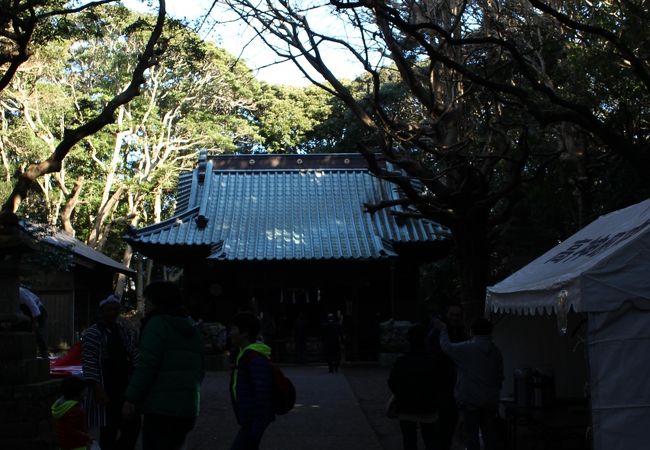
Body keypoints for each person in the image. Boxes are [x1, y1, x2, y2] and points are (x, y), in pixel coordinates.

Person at [122, 281, 205, 450]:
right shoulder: (191, 326)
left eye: (147, 301)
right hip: (187, 408)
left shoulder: (157, 324)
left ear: (156, 302)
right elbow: (201, 368)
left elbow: (147, 365)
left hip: (160, 409)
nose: (145, 305)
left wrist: (131, 397)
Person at [82, 294, 140, 450]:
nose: (113, 313)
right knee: (109, 428)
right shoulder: (92, 334)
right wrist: (98, 389)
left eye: (116, 309)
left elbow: (134, 353)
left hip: (124, 384)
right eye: (110, 309)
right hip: (106, 386)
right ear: (102, 312)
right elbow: (90, 363)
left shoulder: (124, 330)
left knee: (132, 426)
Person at [436, 317, 504, 450]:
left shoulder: (466, 348)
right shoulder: (496, 351)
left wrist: (443, 330)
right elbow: (500, 377)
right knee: (490, 436)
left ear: (472, 331)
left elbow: (446, 347)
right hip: (490, 401)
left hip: (470, 401)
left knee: (471, 437)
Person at [388, 324, 443, 450]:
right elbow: (439, 383)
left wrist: (400, 394)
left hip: (406, 407)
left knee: (409, 441)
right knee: (430, 439)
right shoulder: (432, 361)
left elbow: (392, 382)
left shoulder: (401, 361)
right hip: (428, 406)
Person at [229, 312, 275, 450]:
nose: (230, 333)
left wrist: (257, 427)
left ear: (245, 333)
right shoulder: (245, 354)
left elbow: (264, 392)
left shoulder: (254, 358)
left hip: (253, 421)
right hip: (249, 420)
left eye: (233, 329)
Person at [427, 304, 468, 450]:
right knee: (443, 423)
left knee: (449, 422)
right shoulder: (437, 334)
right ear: (447, 315)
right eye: (452, 315)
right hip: (442, 382)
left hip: (455, 383)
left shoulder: (461, 332)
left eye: (457, 315)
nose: (455, 318)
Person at [51, 375, 92, 450]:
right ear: (77, 393)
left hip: (65, 445)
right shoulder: (75, 410)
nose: (85, 394)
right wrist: (87, 437)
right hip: (76, 446)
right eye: (83, 391)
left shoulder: (61, 407)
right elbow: (72, 430)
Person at [19, 286, 49, 358]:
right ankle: (28, 354)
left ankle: (44, 354)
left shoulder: (20, 293)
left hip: (40, 311)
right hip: (28, 313)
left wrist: (35, 322)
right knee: (25, 331)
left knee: (38, 332)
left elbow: (34, 307)